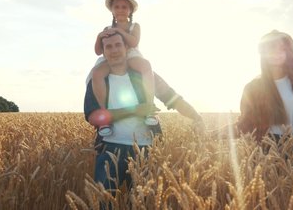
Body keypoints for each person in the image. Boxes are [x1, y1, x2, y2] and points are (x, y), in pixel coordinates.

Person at [84, 32, 205, 194]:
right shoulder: (97, 80)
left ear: (127, 47)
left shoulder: (144, 76)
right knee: (104, 203)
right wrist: (135, 110)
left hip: (146, 150)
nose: (114, 50)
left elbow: (173, 98)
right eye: (109, 47)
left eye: (118, 45)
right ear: (104, 52)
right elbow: (93, 117)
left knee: (145, 202)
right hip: (109, 149)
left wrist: (196, 116)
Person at [216, 30, 293, 150]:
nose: (277, 53)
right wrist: (213, 134)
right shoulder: (253, 88)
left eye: (282, 48)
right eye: (271, 48)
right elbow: (245, 124)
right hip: (267, 147)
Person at [91, 0, 157, 137]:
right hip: (113, 58)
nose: (120, 10)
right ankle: (104, 116)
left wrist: (120, 32)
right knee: (97, 73)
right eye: (117, 7)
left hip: (131, 56)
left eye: (124, 7)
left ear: (130, 11)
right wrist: (99, 36)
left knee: (146, 66)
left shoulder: (135, 26)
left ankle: (149, 108)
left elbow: (133, 42)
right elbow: (98, 51)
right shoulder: (107, 29)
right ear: (112, 10)